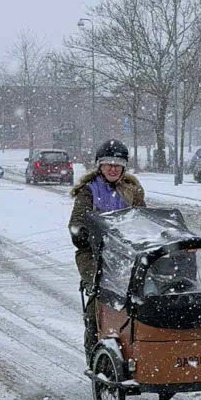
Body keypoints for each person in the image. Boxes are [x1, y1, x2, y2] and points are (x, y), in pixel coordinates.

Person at [68, 139, 146, 366]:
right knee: (99, 296)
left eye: (118, 164)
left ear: (124, 167)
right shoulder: (88, 191)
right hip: (93, 255)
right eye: (108, 163)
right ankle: (95, 354)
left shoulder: (132, 191)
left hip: (126, 255)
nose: (113, 168)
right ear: (99, 166)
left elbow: (143, 220)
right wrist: (85, 234)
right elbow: (76, 223)